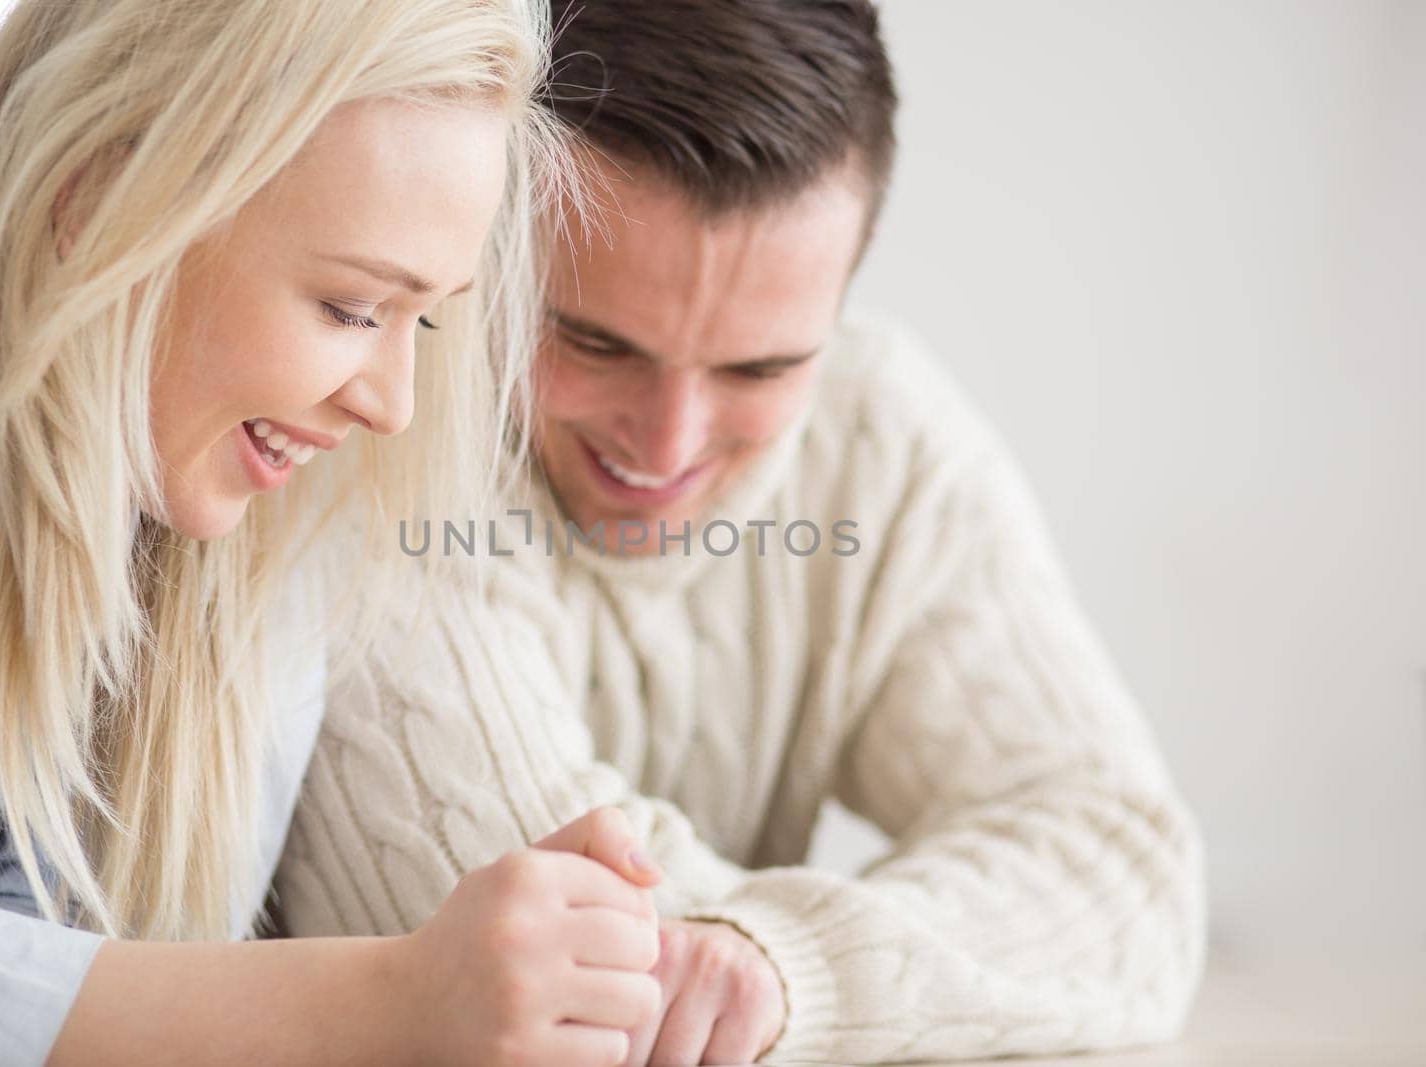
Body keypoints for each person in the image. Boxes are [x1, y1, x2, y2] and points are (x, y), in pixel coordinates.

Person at [275, 1, 1207, 1064]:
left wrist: (783, 963)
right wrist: (913, 974)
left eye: (759, 368)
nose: (668, 442)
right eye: (593, 341)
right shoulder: (378, 420)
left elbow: (1125, 869)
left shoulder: (878, 433)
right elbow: (569, 982)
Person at [0, 2, 674, 1064]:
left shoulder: (238, 506)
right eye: (354, 306)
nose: (394, 405)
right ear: (97, 206)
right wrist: (392, 999)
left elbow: (67, 964)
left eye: (430, 316)